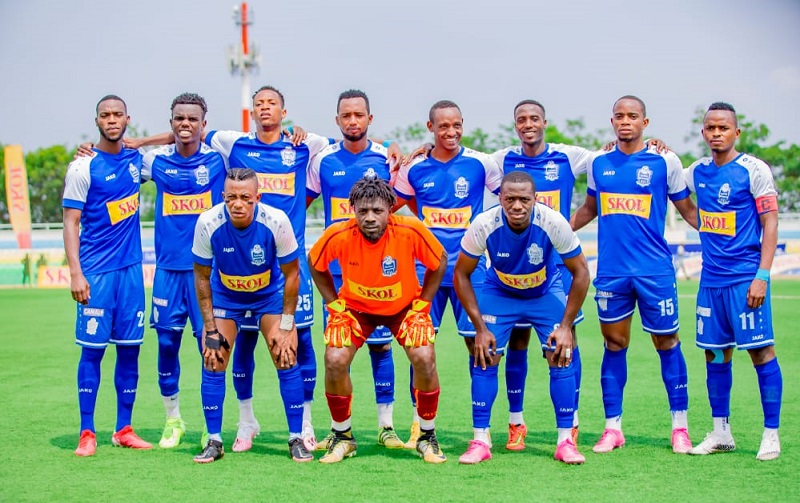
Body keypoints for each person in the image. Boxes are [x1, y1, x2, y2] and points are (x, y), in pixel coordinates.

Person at [571, 95, 698, 454]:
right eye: (619, 116)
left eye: (632, 116)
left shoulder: (665, 160)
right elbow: (589, 209)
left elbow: (688, 210)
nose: (625, 121)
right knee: (614, 345)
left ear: (645, 122)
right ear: (612, 121)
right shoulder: (599, 162)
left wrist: (726, 235)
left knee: (667, 343)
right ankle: (613, 429)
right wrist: (554, 231)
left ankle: (680, 427)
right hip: (612, 272)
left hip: (654, 271)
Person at [308, 177, 448, 464]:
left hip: (403, 308)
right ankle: (343, 436)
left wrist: (422, 304)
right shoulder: (339, 234)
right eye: (363, 211)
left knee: (424, 357)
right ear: (353, 210)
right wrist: (334, 305)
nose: (370, 217)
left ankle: (427, 436)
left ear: (390, 210)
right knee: (334, 359)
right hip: (356, 309)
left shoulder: (410, 230)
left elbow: (440, 260)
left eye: (377, 211)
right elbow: (315, 262)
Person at [454, 170, 589, 464]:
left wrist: (566, 327)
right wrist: (480, 328)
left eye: (524, 199)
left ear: (535, 199)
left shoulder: (553, 222)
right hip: (500, 292)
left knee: (560, 353)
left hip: (544, 292)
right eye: (510, 199)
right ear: (500, 198)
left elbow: (581, 272)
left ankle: (565, 441)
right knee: (485, 355)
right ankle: (480, 440)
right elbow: (461, 274)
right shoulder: (484, 224)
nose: (517, 206)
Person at [393, 100, 503, 446]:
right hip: (425, 273)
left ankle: (481, 430)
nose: (451, 132)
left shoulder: (481, 163)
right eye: (443, 126)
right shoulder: (415, 168)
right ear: (430, 128)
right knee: (420, 348)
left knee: (480, 346)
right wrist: (393, 151)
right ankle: (419, 423)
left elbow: (514, 195)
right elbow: (389, 204)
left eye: (456, 125)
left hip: (471, 273)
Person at [684, 102, 782, 461]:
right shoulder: (696, 172)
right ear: (703, 133)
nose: (716, 133)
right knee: (714, 353)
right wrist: (656, 147)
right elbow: (670, 182)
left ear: (736, 132)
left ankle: (771, 433)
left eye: (723, 128)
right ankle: (721, 432)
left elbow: (770, 221)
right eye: (710, 128)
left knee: (761, 352)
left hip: (745, 279)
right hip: (711, 280)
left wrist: (762, 275)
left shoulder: (753, 170)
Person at [306, 89, 403, 450]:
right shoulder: (323, 161)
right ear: (337, 120)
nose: (352, 121)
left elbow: (399, 204)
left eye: (358, 115)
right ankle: (339, 429)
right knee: (337, 351)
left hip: (378, 270)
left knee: (381, 348)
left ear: (369, 119)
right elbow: (300, 202)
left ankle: (386, 426)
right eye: (346, 115)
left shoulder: (386, 158)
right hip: (336, 273)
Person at [191, 167, 308, 463]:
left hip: (268, 297)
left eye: (245, 197)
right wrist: (210, 328)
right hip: (227, 298)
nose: (238, 204)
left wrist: (286, 325)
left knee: (285, 353)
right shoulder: (207, 222)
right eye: (231, 198)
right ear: (223, 197)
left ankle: (296, 437)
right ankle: (215, 440)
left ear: (258, 197)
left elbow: (292, 275)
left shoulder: (276, 221)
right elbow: (201, 277)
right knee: (213, 357)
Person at [63, 95, 151, 456]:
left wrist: (142, 141)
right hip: (96, 273)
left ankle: (123, 428)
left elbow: (182, 140)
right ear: (96, 120)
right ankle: (87, 431)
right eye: (105, 115)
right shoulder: (82, 167)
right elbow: (71, 222)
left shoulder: (138, 161)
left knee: (130, 351)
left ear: (128, 119)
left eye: (118, 115)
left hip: (131, 273)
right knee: (93, 352)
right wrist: (75, 273)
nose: (111, 120)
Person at [140, 93, 227, 448]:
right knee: (165, 344)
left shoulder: (219, 158)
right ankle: (173, 419)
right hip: (167, 272)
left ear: (204, 124)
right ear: (171, 123)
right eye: (179, 118)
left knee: (210, 347)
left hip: (207, 273)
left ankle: (211, 426)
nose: (185, 124)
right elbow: (115, 158)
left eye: (192, 119)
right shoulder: (154, 162)